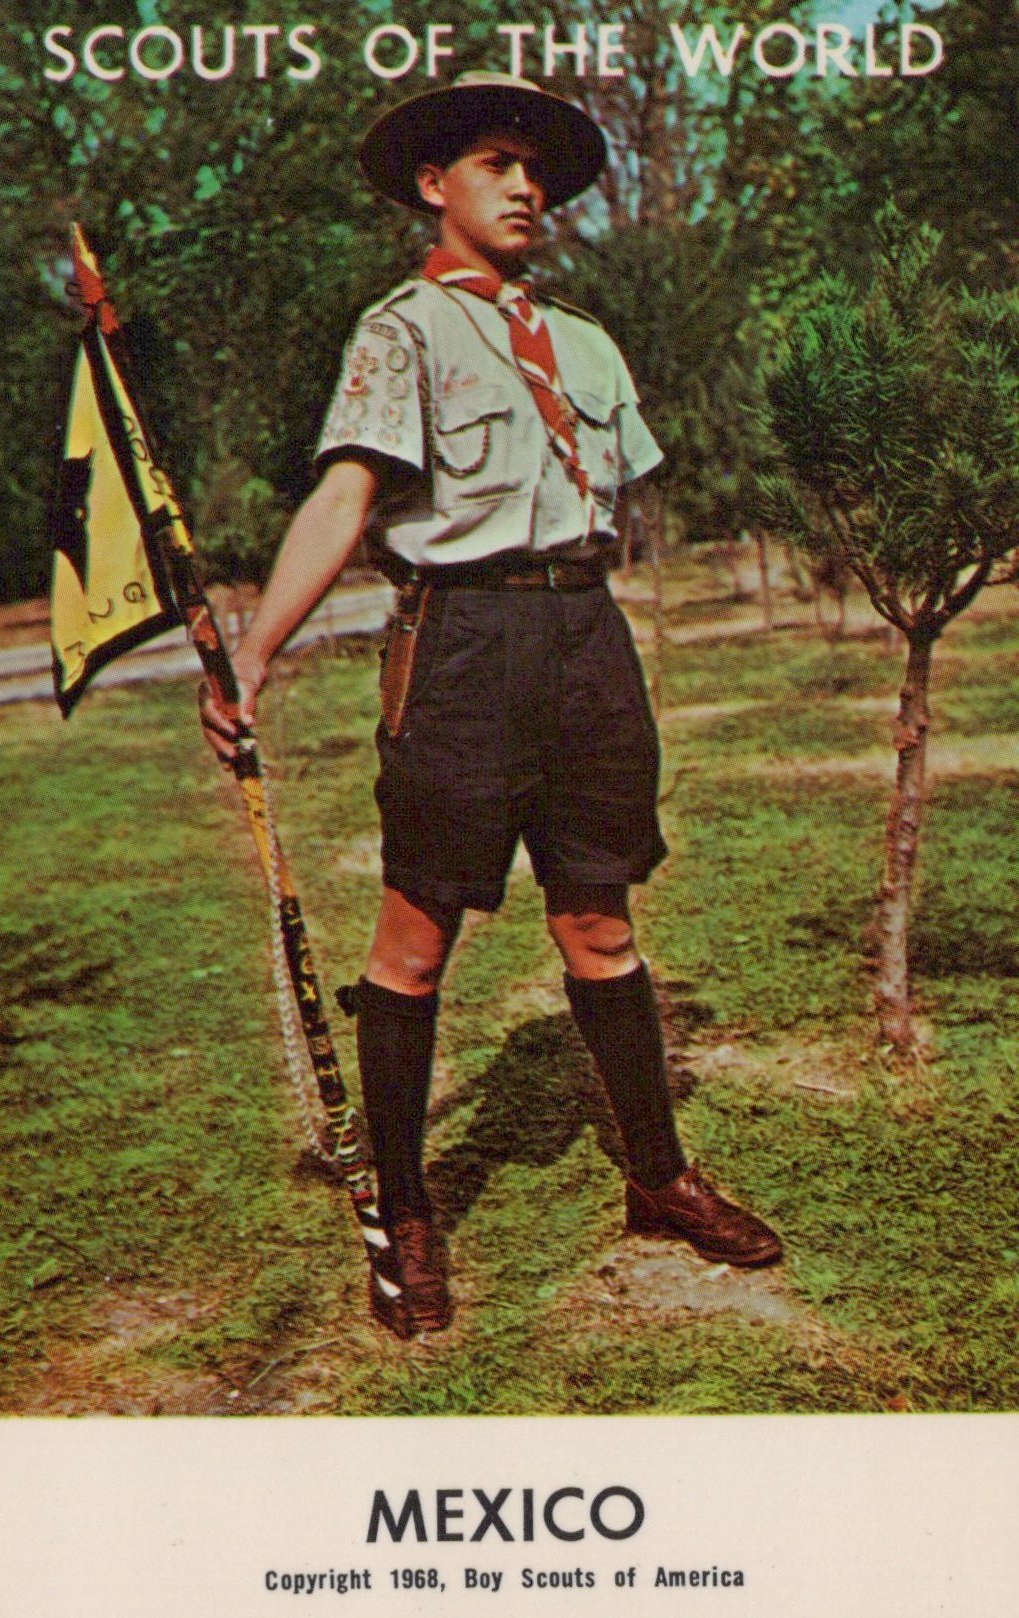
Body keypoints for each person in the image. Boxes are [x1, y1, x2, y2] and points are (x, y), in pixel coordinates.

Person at [200, 72, 781, 1340]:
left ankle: (656, 1177)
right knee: (415, 939)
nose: (525, 188)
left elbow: (620, 498)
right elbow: (347, 498)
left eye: (537, 170)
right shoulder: (399, 332)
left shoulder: (582, 340)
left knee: (598, 924)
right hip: (460, 645)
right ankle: (405, 1209)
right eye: (496, 165)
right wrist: (251, 660)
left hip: (583, 638)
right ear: (434, 185)